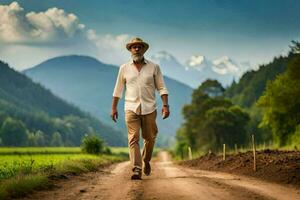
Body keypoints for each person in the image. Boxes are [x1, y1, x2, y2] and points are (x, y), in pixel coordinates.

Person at [111, 37, 170, 180]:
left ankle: (146, 160)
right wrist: (114, 108)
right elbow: (118, 90)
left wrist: (165, 105)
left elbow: (161, 87)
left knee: (150, 139)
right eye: (134, 47)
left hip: (150, 108)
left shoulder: (154, 67)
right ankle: (136, 169)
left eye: (139, 46)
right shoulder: (124, 68)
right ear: (130, 50)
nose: (136, 49)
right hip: (130, 108)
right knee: (133, 138)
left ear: (144, 49)